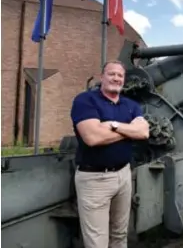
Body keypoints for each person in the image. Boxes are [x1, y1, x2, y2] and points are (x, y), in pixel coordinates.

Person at [70, 60, 150, 248]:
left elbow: (144, 133)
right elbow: (93, 137)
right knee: (97, 241)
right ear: (102, 77)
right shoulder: (85, 100)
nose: (116, 78)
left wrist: (113, 125)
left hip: (123, 175)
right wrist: (129, 130)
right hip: (94, 179)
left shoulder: (131, 105)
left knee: (120, 235)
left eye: (120, 75)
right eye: (112, 74)